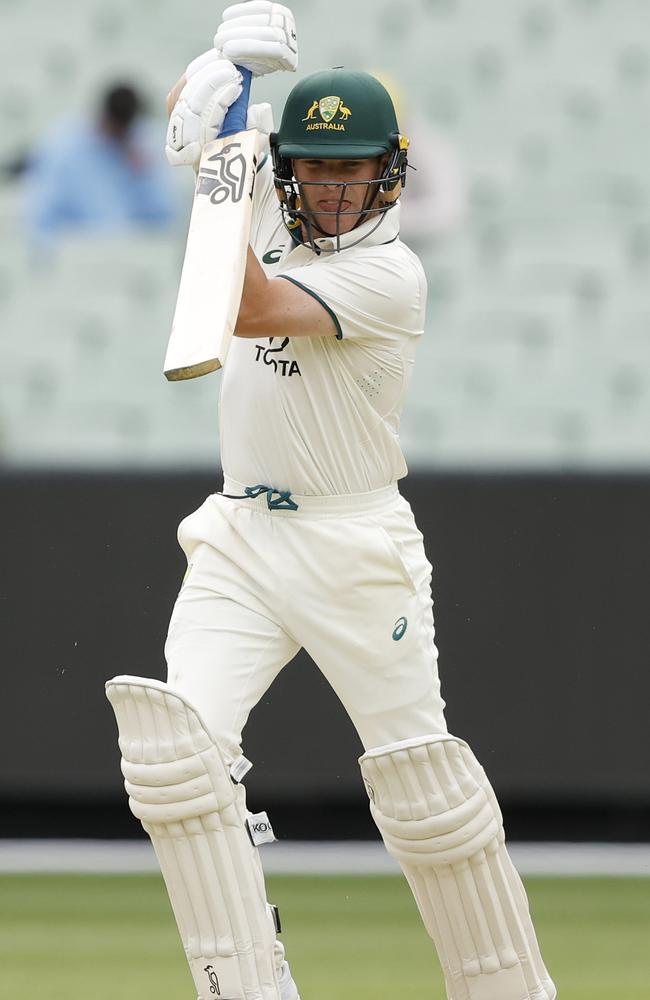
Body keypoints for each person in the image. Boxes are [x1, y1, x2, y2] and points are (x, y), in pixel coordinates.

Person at [107, 4, 556, 999]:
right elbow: (195, 111)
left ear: (386, 174)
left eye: (353, 171)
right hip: (237, 534)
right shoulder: (266, 180)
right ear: (290, 168)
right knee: (178, 756)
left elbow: (250, 306)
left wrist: (214, 162)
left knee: (421, 789)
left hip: (354, 543)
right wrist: (212, 82)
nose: (333, 190)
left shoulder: (391, 273)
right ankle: (247, 986)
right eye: (315, 170)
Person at [25, 82, 178, 251]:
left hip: (132, 256)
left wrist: (143, 175)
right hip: (77, 255)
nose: (121, 135)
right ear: (105, 116)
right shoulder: (63, 147)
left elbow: (166, 217)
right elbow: (42, 217)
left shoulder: (143, 143)